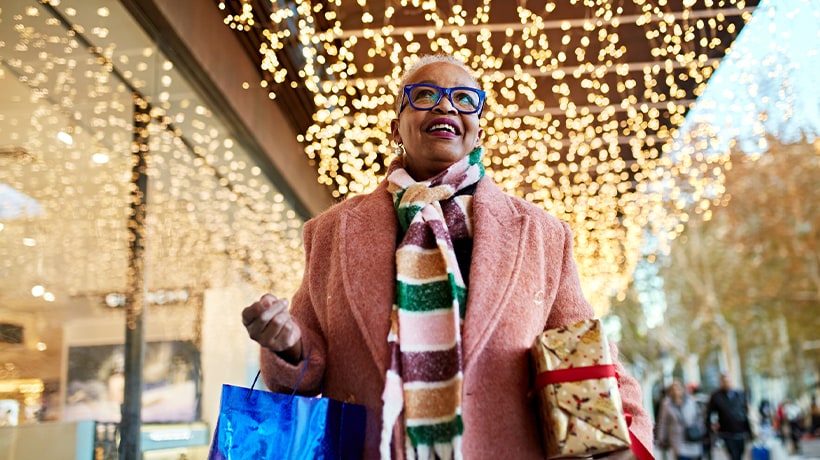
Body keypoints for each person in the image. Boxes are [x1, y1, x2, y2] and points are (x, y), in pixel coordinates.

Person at [241, 53, 654, 459]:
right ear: (395, 127)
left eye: (464, 99)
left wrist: (631, 441)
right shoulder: (330, 232)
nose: (445, 105)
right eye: (424, 95)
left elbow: (587, 354)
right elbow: (308, 365)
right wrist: (288, 343)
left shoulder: (542, 234)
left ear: (478, 129)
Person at [704, 373, 752, 460]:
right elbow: (709, 414)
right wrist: (710, 429)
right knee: (734, 455)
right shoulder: (716, 396)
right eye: (724, 381)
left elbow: (746, 411)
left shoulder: (740, 394)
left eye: (729, 381)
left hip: (741, 431)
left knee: (740, 454)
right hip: (727, 432)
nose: (727, 383)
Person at [656, 379, 704, 460]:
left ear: (682, 389)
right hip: (677, 438)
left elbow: (698, 417)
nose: (675, 391)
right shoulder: (666, 404)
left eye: (678, 388)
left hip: (693, 436)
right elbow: (663, 422)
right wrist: (661, 438)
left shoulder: (690, 401)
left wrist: (701, 430)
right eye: (673, 389)